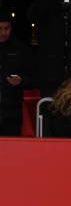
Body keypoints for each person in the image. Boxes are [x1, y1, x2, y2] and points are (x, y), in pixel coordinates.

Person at [0, 8, 33, 136]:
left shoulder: (21, 49)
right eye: (0, 28)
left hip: (12, 115)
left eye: (6, 28)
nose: (3, 32)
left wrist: (21, 81)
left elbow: (34, 78)